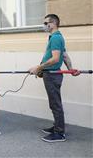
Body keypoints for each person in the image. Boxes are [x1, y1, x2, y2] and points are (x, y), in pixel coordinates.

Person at [29, 14, 79, 143]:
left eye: (46, 23)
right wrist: (71, 69)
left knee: (55, 104)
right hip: (51, 74)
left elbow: (56, 58)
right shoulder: (56, 37)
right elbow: (65, 56)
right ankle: (57, 127)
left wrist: (38, 67)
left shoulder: (56, 38)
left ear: (53, 24)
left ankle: (59, 133)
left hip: (52, 75)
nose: (44, 25)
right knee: (54, 103)